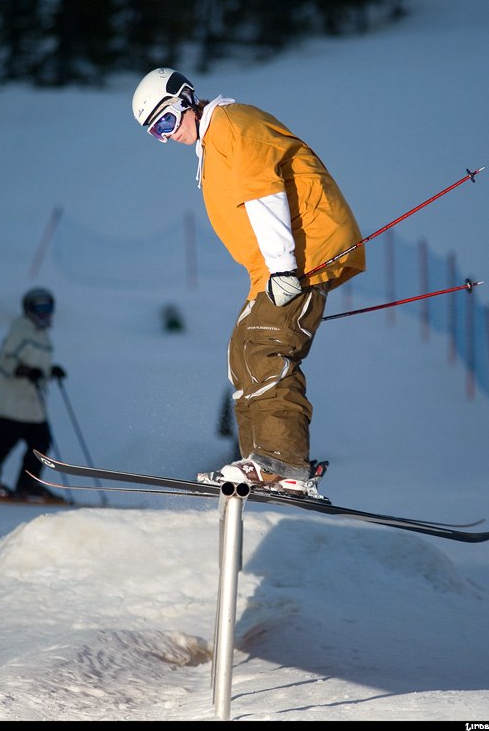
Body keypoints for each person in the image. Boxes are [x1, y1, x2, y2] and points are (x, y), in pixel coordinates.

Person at [132, 68, 366, 498]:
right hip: (271, 267)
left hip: (301, 255)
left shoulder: (230, 124)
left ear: (185, 100)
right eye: (155, 133)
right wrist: (273, 269)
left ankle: (284, 463)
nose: (167, 135)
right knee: (242, 352)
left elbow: (263, 192)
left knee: (267, 347)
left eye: (166, 121)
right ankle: (258, 460)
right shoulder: (212, 142)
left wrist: (283, 268)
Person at [0, 288, 67, 502]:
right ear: (29, 309)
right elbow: (4, 360)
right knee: (3, 443)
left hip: (33, 406)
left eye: (48, 307)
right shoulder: (21, 329)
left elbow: (37, 365)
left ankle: (28, 484)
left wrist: (50, 371)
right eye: (39, 308)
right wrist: (24, 370)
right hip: (13, 403)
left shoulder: (42, 334)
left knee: (41, 442)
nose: (44, 313)